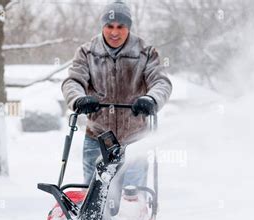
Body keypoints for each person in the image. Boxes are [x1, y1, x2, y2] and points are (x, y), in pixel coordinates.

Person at [62, 0, 172, 188]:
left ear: (128, 27)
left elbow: (161, 82)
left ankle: (132, 215)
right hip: (97, 137)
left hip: (135, 137)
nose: (114, 32)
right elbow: (73, 81)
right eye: (109, 26)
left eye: (120, 26)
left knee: (132, 194)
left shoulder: (146, 52)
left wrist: (151, 99)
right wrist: (79, 99)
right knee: (93, 197)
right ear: (102, 26)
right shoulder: (87, 52)